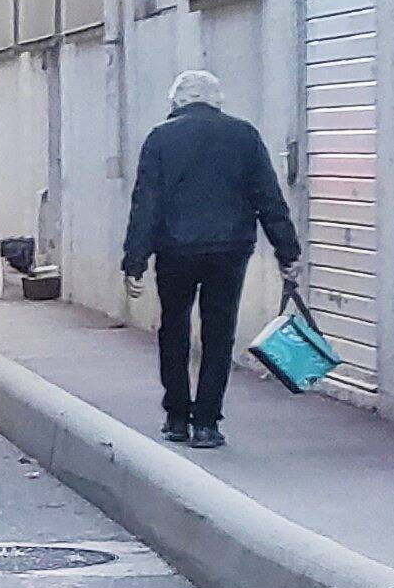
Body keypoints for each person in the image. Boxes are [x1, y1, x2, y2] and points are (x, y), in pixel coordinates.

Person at [121, 68, 303, 448]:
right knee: (219, 332)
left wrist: (134, 261)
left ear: (176, 101)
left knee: (174, 328)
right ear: (217, 101)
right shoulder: (244, 136)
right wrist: (288, 251)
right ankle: (206, 423)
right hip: (229, 249)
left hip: (174, 249)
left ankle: (175, 417)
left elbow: (145, 204)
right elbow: (268, 198)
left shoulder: (160, 139)